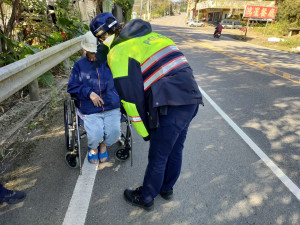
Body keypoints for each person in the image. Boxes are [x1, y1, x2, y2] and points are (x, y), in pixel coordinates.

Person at [90, 13, 203, 210]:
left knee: (158, 155)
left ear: (101, 37)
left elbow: (131, 100)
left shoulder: (119, 51)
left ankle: (146, 197)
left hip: (171, 103)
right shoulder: (154, 37)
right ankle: (166, 188)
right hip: (191, 97)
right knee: (175, 148)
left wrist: (145, 132)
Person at [67, 31, 121, 164]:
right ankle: (94, 147)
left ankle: (104, 145)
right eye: (91, 53)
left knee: (114, 133)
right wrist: (89, 93)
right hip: (90, 107)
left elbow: (121, 79)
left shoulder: (109, 61)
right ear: (85, 49)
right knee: (95, 135)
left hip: (110, 104)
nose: (94, 56)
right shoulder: (79, 66)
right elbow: (72, 87)